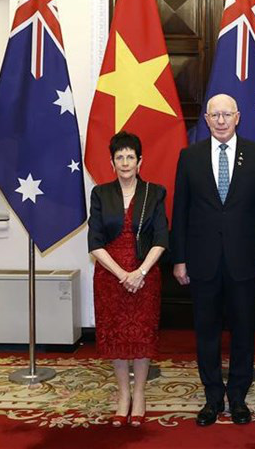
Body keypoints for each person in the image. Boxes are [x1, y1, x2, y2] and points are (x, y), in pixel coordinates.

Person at [171, 93, 255, 426]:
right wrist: (179, 259)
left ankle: (238, 398)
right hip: (202, 262)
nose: (220, 120)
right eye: (214, 115)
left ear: (238, 117)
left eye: (226, 114)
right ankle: (212, 398)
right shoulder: (189, 158)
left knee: (244, 332)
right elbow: (181, 212)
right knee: (206, 332)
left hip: (244, 261)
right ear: (205, 119)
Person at [88, 131, 168, 427]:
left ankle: (140, 394)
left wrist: (140, 272)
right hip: (110, 277)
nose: (125, 162)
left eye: (130, 157)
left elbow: (161, 238)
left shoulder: (154, 193)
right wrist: (122, 274)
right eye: (119, 157)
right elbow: (94, 241)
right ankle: (123, 395)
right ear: (112, 162)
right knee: (118, 338)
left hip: (145, 275)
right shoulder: (100, 194)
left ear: (140, 161)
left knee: (141, 337)